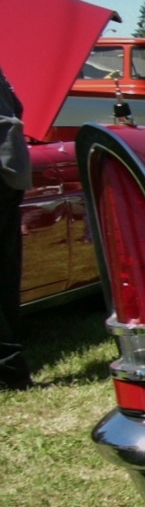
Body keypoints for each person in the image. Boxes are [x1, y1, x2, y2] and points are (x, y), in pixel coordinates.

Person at [0, 65, 33, 390]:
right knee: (6, 271)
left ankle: (9, 369)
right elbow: (16, 106)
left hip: (5, 169)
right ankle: (10, 368)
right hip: (8, 169)